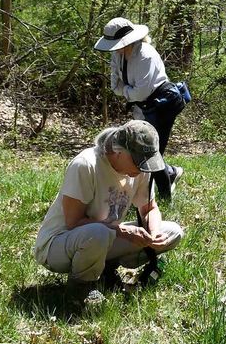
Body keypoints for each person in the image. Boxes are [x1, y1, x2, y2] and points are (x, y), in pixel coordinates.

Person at [34, 120, 185, 306]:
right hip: (57, 245)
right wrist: (122, 231)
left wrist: (153, 234)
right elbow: (73, 221)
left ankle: (104, 270)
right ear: (119, 151)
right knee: (99, 233)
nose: (142, 169)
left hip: (103, 237)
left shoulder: (141, 170)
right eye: (138, 162)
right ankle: (80, 289)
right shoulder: (86, 164)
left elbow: (149, 209)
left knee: (173, 232)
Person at [94, 17, 190, 200]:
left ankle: (163, 196)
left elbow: (140, 91)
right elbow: (116, 86)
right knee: (139, 149)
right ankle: (169, 174)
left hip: (163, 104)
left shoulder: (146, 54)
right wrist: (128, 91)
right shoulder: (117, 54)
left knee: (152, 152)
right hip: (143, 106)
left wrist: (126, 90)